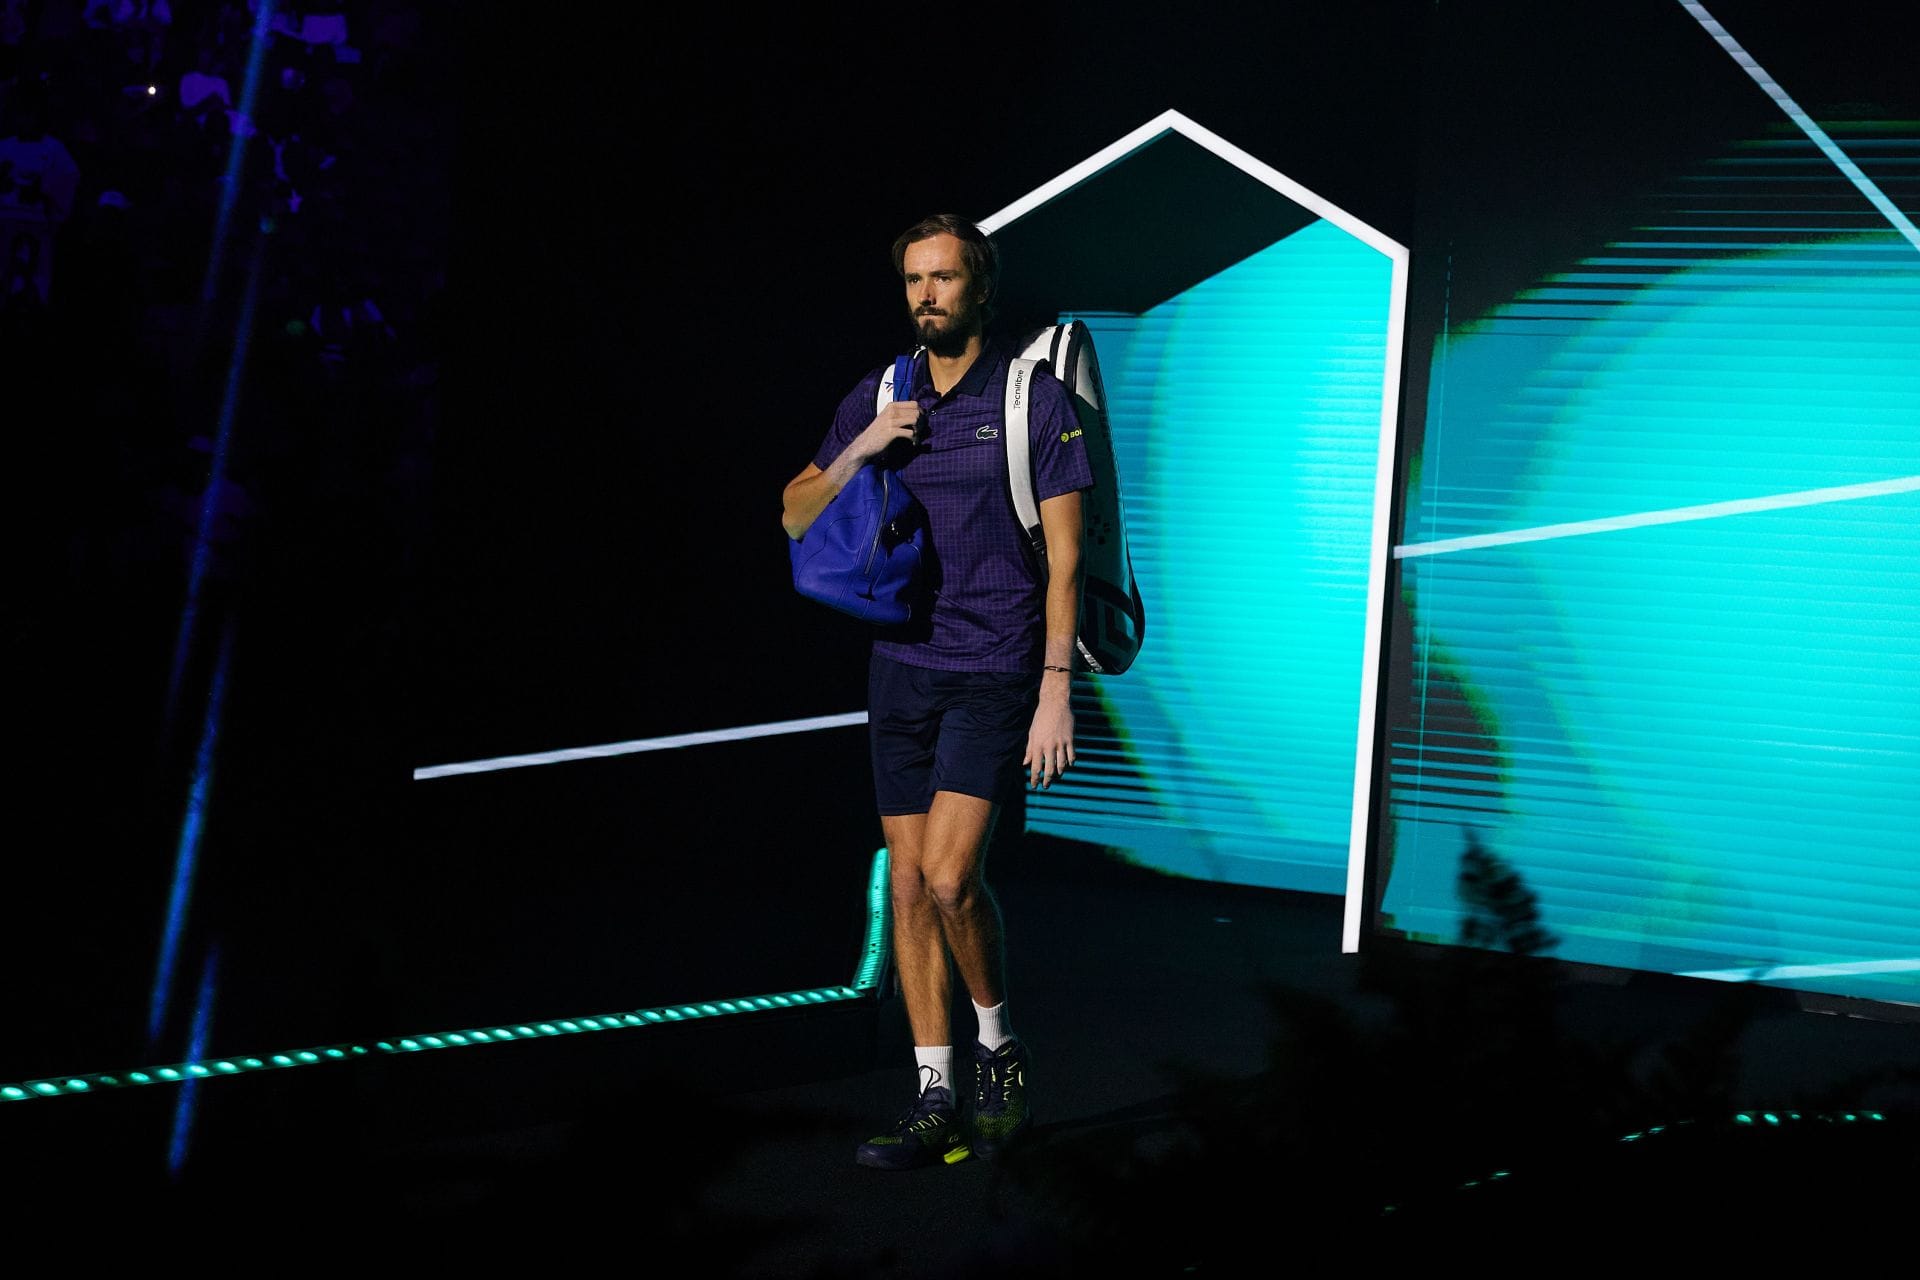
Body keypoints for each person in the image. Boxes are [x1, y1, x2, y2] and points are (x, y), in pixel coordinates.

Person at [782, 213, 1092, 1169]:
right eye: (914, 279)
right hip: (902, 669)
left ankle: (998, 1049)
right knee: (908, 883)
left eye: (944, 278)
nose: (926, 295)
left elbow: (1068, 559)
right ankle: (933, 1096)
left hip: (996, 665)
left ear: (980, 288)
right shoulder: (884, 392)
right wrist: (864, 444)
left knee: (954, 879)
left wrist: (1056, 690)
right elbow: (794, 513)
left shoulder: (1031, 397)